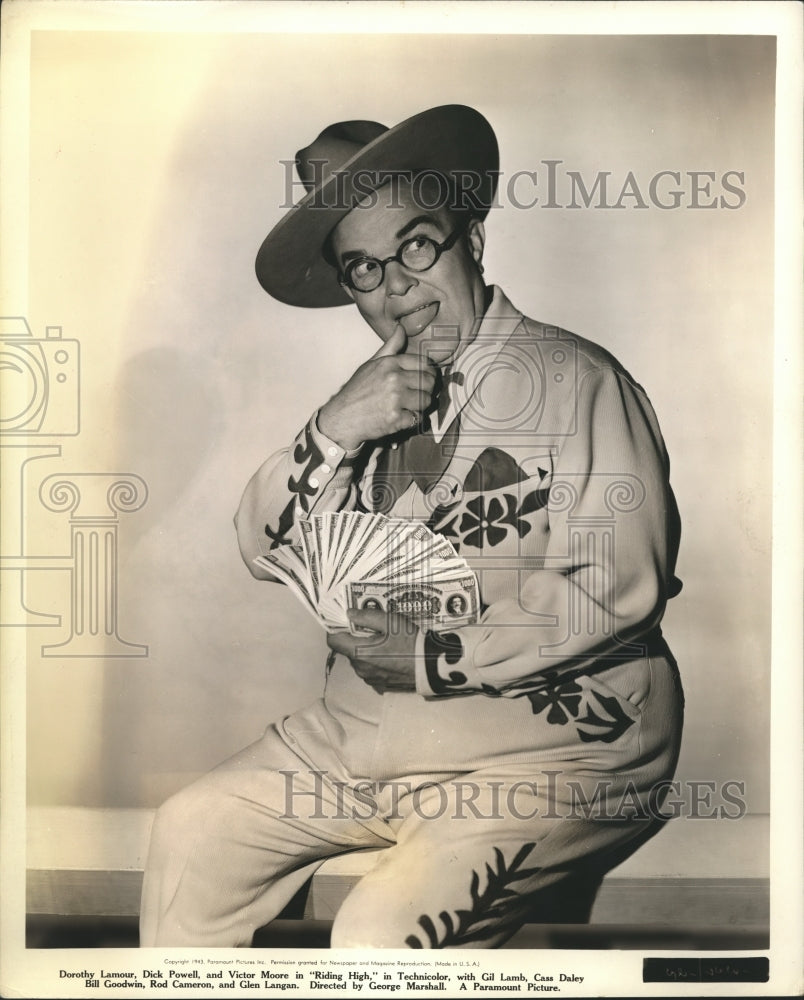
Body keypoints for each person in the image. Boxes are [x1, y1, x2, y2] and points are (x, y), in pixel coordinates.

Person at [140, 105, 684, 949]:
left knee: (379, 935)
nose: (396, 287)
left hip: (556, 748)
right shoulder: (370, 400)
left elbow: (615, 587)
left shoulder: (576, 378)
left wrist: (436, 654)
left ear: (471, 236)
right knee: (190, 834)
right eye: (364, 269)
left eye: (417, 247)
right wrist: (330, 429)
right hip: (368, 736)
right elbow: (261, 548)